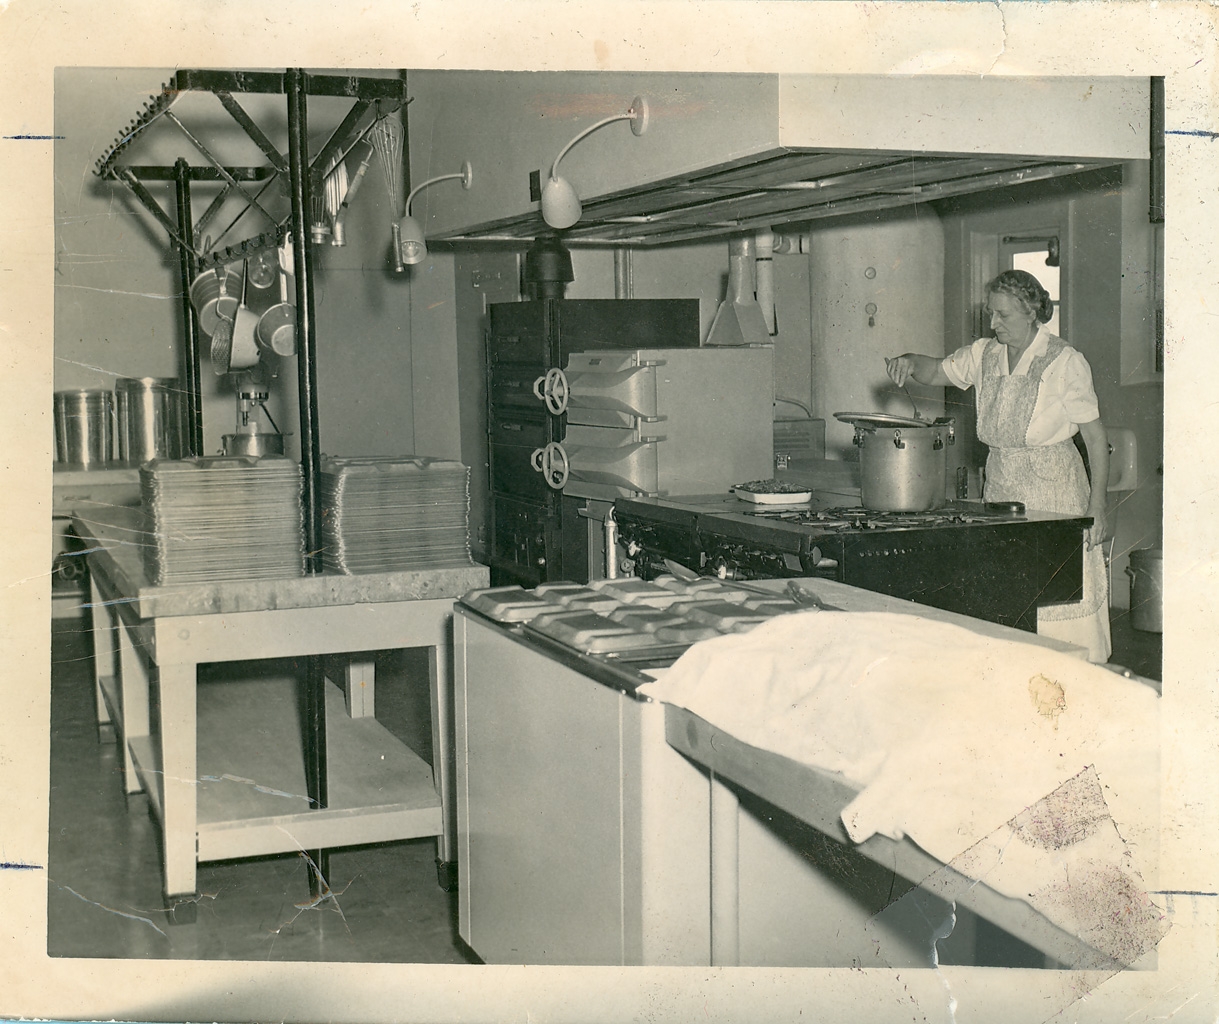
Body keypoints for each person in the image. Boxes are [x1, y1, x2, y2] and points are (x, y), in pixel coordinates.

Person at [885, 269, 1111, 662]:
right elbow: (935, 370)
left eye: (1003, 315)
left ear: (1031, 312)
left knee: (1058, 596)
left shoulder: (1064, 361)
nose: (993, 323)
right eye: (991, 313)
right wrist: (908, 361)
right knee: (1008, 591)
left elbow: (1095, 438)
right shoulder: (984, 354)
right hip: (1003, 487)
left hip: (1055, 492)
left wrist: (1098, 507)